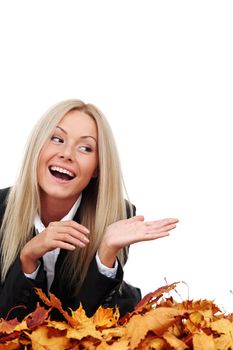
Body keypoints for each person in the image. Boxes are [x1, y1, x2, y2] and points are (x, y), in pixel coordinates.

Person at [0, 99, 178, 321]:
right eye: (57, 139)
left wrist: (106, 252)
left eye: (85, 148)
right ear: (37, 148)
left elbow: (86, 325)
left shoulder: (115, 215)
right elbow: (6, 322)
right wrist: (28, 258)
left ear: (97, 168)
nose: (67, 154)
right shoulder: (1, 207)